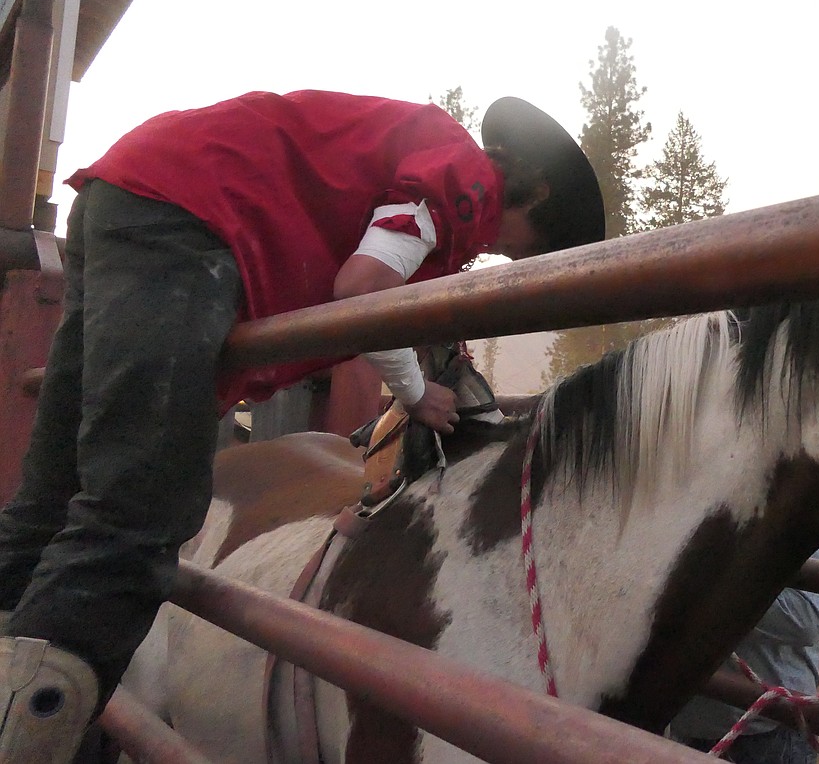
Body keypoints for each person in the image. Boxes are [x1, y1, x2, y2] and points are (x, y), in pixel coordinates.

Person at [0, 90, 603, 762]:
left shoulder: (422, 171)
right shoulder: (464, 182)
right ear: (536, 195)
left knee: (53, 499)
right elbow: (366, 284)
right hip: (184, 216)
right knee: (135, 517)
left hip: (139, 195)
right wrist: (414, 392)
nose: (502, 252)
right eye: (527, 246)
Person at [670, 541, 819, 764]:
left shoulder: (796, 507)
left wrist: (698, 585)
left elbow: (805, 618)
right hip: (684, 718)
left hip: (767, 732)